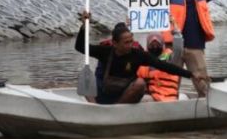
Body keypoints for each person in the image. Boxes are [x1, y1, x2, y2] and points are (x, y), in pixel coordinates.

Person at [75, 12, 207, 105]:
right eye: (126, 42)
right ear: (114, 43)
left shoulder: (138, 54)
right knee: (85, 78)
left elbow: (165, 66)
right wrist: (84, 26)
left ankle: (117, 109)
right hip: (104, 92)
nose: (130, 44)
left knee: (140, 83)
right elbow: (80, 47)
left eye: (131, 41)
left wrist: (191, 74)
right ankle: (94, 107)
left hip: (125, 96)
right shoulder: (104, 51)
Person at [136, 33, 180, 102]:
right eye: (152, 45)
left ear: (162, 45)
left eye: (158, 44)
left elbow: (178, 50)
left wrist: (177, 34)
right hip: (154, 96)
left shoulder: (169, 57)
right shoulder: (143, 60)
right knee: (144, 98)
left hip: (170, 96)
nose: (155, 47)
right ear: (148, 46)